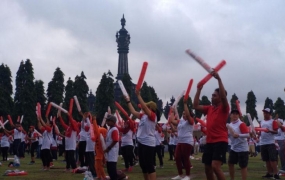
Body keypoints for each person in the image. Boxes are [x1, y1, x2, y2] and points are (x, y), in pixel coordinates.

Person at [193, 71, 229, 180]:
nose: (212, 97)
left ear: (220, 97)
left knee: (215, 167)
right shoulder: (209, 108)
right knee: (207, 168)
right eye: (212, 95)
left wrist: (219, 79)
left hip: (220, 141)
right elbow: (195, 105)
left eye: (214, 95)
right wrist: (199, 89)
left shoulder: (224, 108)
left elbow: (223, 97)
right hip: (210, 141)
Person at [125, 89, 160, 180]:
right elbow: (132, 111)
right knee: (143, 165)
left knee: (149, 165)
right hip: (141, 142)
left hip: (148, 142)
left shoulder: (153, 116)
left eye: (147, 107)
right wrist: (128, 100)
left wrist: (138, 95)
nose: (143, 108)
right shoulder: (143, 116)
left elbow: (144, 107)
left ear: (150, 108)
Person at [170, 97, 194, 180]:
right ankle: (180, 174)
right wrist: (172, 111)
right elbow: (172, 121)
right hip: (180, 141)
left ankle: (187, 176)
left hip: (187, 141)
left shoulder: (190, 121)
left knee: (185, 158)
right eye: (183, 113)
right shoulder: (181, 121)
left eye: (185, 113)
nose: (184, 115)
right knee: (177, 157)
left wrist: (185, 104)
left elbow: (188, 115)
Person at [227, 109, 250, 180]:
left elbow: (248, 135)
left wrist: (238, 135)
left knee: (243, 166)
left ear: (238, 115)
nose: (235, 115)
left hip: (242, 148)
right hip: (234, 148)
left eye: (236, 114)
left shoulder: (241, 124)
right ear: (230, 115)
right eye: (233, 113)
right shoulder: (229, 125)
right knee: (230, 163)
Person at [259, 108, 279, 179]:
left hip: (270, 142)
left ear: (270, 114)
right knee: (266, 159)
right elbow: (260, 131)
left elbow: (276, 132)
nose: (265, 114)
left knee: (272, 159)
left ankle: (276, 174)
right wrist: (258, 136)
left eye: (266, 113)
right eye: (264, 113)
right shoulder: (261, 122)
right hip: (263, 143)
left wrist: (269, 131)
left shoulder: (272, 121)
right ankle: (269, 173)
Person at [104, 114, 119, 180]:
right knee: (109, 168)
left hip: (112, 151)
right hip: (109, 151)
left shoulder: (114, 129)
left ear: (113, 121)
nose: (107, 122)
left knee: (112, 169)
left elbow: (115, 140)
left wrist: (108, 148)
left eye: (108, 121)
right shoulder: (110, 129)